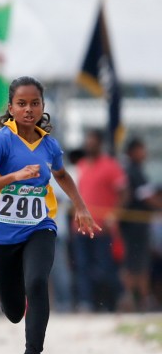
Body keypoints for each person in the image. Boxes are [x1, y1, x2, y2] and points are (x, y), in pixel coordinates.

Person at [0, 77, 100, 354]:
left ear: (43, 107)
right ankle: (19, 304)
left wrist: (81, 206)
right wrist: (13, 176)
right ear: (11, 108)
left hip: (40, 226)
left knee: (38, 281)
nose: (29, 110)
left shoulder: (50, 145)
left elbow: (63, 175)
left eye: (35, 103)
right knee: (14, 311)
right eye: (22, 104)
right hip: (2, 234)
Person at [73, 129, 127, 313]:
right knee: (82, 267)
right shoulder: (80, 165)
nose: (89, 145)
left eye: (93, 141)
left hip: (102, 227)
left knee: (105, 268)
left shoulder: (110, 165)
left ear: (99, 144)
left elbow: (124, 192)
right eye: (88, 141)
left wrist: (115, 214)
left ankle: (109, 303)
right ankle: (87, 302)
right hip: (81, 227)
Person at [120, 137, 159, 311]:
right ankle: (136, 299)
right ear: (133, 151)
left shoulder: (135, 170)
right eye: (141, 149)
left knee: (137, 262)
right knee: (136, 263)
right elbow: (146, 197)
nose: (144, 153)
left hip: (136, 225)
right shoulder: (132, 171)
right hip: (134, 226)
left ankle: (137, 298)